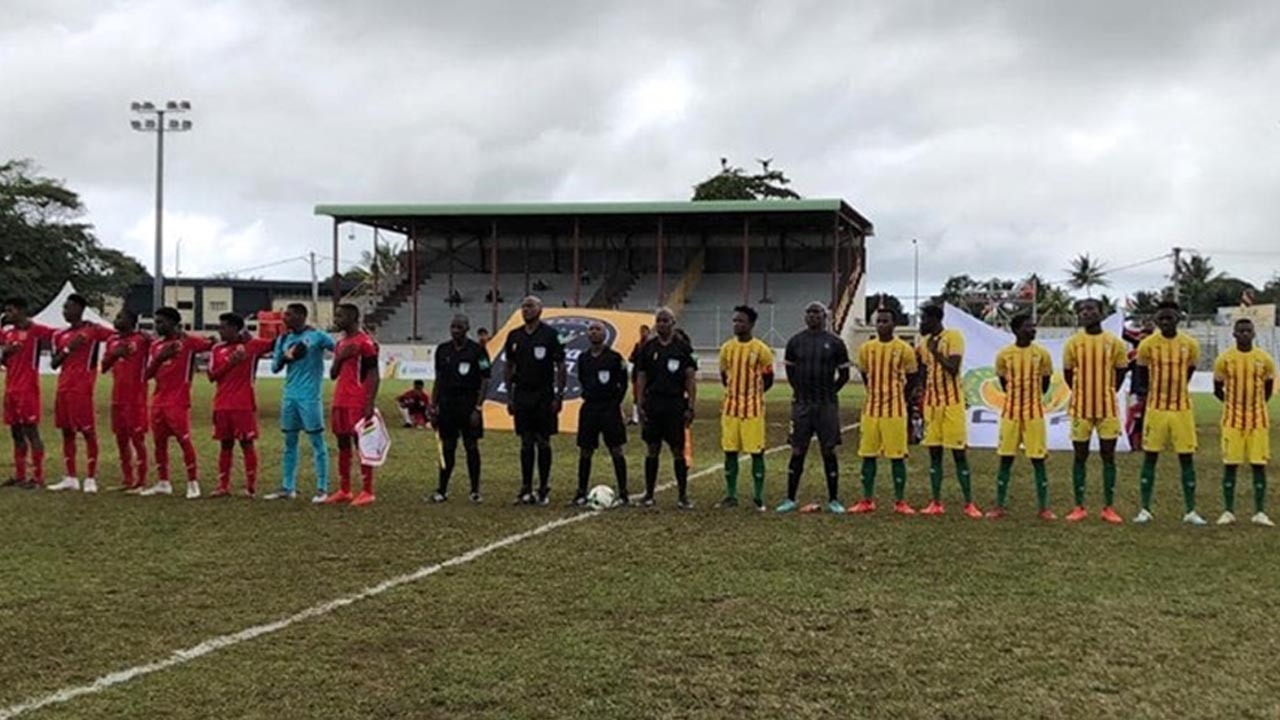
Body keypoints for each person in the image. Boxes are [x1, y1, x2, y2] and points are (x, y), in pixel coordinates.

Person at [1133, 300, 1203, 525]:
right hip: (1156, 409)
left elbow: (1189, 372)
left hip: (1182, 409)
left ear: (1178, 318)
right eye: (1161, 318)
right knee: (1150, 456)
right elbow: (1142, 375)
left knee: (1186, 457)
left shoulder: (1190, 344)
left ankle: (1191, 510)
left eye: (1169, 318)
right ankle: (1145, 509)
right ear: (1156, 320)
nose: (1165, 322)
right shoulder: (1147, 345)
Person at [1061, 298, 1130, 523]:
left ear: (1101, 312)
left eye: (1090, 309)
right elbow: (1068, 374)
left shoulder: (1114, 342)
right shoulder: (1073, 343)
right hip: (1081, 409)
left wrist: (1107, 391)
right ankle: (1079, 506)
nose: (1085, 313)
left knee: (1108, 456)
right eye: (1081, 310)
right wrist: (1083, 392)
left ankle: (1108, 507)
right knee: (1080, 456)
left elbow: (1121, 371)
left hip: (1107, 409)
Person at [781, 302, 850, 514]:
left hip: (826, 406)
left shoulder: (836, 343)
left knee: (828, 450)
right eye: (809, 312)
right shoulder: (795, 342)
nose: (812, 316)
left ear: (825, 316)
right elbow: (790, 373)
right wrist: (800, 391)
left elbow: (844, 375)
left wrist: (829, 392)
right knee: (797, 450)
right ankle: (790, 498)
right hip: (801, 405)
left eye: (816, 312)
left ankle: (834, 500)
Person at [264, 303, 335, 503]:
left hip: (310, 397)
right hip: (289, 396)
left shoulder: (317, 336)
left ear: (301, 316)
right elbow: (275, 367)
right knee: (289, 442)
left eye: (289, 315)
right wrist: (287, 358)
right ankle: (288, 487)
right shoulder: (283, 339)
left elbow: (339, 348)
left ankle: (322, 488)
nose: (284, 318)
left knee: (317, 442)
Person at [986, 314, 1055, 520]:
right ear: (1016, 330)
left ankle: (1043, 508)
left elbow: (1045, 384)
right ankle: (999, 506)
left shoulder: (1042, 354)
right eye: (1028, 326)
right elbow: (1004, 383)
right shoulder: (1004, 355)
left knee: (1038, 459)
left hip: (1034, 414)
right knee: (1005, 458)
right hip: (1011, 413)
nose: (1032, 330)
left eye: (1033, 326)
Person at [851, 306, 918, 514]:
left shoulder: (904, 349)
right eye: (878, 321)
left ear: (894, 324)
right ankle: (866, 500)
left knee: (897, 456)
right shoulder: (866, 349)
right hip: (871, 410)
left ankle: (900, 501)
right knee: (868, 455)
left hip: (895, 411)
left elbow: (913, 378)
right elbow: (865, 375)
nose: (881, 325)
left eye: (885, 321)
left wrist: (900, 397)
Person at [140, 306, 212, 499]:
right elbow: (146, 375)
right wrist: (160, 358)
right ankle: (163, 482)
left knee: (184, 441)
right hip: (158, 401)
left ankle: (193, 482)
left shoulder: (187, 342)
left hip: (178, 401)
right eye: (156, 322)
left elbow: (210, 344)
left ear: (173, 323)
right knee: (159, 443)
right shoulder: (156, 346)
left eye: (160, 322)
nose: (157, 326)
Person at [915, 304, 981, 518]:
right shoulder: (923, 343)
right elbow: (922, 371)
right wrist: (920, 394)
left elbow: (953, 368)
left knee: (958, 453)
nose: (922, 323)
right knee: (934, 453)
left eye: (924, 319)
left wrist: (936, 352)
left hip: (952, 403)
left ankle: (969, 503)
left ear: (935, 319)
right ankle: (935, 502)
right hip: (932, 405)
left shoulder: (953, 337)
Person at [47, 293, 114, 493]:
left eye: (68, 307)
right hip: (63, 388)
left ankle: (91, 478)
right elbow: (54, 363)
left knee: (87, 432)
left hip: (82, 389)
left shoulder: (93, 330)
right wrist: (69, 349)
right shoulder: (59, 335)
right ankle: (70, 477)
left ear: (79, 309)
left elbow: (118, 335)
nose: (64, 311)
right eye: (64, 308)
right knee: (67, 432)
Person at [503, 296, 566, 505]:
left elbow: (561, 365)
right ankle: (526, 487)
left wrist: (559, 395)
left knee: (543, 441)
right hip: (522, 394)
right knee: (525, 442)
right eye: (523, 306)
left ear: (540, 309)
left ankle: (543, 487)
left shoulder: (551, 335)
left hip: (543, 394)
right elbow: (509, 366)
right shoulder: (514, 336)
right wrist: (509, 395)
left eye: (530, 306)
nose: (526, 309)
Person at [1212, 318, 1275, 526]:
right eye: (1241, 331)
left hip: (1258, 420)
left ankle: (1260, 512)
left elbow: (1268, 388)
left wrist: (1256, 406)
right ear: (1234, 334)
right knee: (1230, 464)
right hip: (1232, 420)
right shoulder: (1225, 359)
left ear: (1254, 333)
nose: (1245, 334)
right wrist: (1233, 405)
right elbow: (1217, 389)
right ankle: (1228, 511)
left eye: (1248, 331)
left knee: (1259, 465)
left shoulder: (1264, 359)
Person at [633, 307, 697, 509]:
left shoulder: (682, 348)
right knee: (652, 449)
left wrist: (691, 405)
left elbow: (690, 378)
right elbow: (641, 376)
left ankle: (683, 496)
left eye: (665, 320)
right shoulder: (648, 348)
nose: (661, 324)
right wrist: (639, 402)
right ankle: (649, 494)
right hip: (653, 403)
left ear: (673, 323)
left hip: (675, 404)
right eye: (659, 320)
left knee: (678, 450)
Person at [207, 312, 274, 498]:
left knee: (247, 444)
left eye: (223, 327)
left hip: (243, 404)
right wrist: (231, 363)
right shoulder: (217, 349)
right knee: (225, 445)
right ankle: (223, 486)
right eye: (219, 327)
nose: (220, 331)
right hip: (221, 404)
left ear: (236, 328)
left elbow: (276, 343)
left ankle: (250, 487)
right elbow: (212, 376)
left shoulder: (252, 346)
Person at [716, 305, 775, 511]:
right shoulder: (727, 349)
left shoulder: (762, 350)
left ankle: (758, 497)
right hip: (730, 408)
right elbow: (724, 376)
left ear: (751, 324)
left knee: (756, 452)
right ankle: (731, 495)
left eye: (740, 321)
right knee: (730, 451)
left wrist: (753, 395)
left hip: (753, 410)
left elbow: (768, 379)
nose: (736, 324)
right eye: (735, 321)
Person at [429, 314, 491, 503]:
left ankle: (475, 490)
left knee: (471, 446)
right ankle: (442, 489)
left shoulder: (478, 351)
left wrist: (478, 407)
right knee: (448, 447)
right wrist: (433, 404)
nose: (455, 331)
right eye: (453, 327)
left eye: (459, 327)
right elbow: (439, 378)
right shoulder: (442, 350)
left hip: (468, 404)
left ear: (467, 328)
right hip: (447, 405)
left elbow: (485, 379)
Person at [325, 303, 380, 506]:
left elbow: (374, 374)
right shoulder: (341, 343)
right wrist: (340, 358)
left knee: (361, 443)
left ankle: (367, 491)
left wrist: (369, 402)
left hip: (357, 400)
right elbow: (333, 374)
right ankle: (345, 489)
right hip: (340, 399)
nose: (336, 319)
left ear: (352, 318)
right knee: (342, 443)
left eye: (340, 316)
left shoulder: (365, 343)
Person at [574, 320, 629, 506]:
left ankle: (623, 492)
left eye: (598, 329)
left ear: (604, 334)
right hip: (590, 408)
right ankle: (581, 492)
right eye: (591, 329)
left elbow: (623, 382)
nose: (594, 332)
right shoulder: (583, 358)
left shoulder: (614, 357)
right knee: (585, 450)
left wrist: (615, 402)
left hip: (609, 408)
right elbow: (582, 379)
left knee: (616, 449)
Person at [1, 297, 54, 489]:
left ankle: (38, 477)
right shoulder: (8, 333)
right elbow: (4, 360)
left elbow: (58, 336)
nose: (7, 314)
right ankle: (20, 475)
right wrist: (5, 352)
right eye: (6, 310)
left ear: (22, 311)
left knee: (31, 431)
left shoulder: (36, 330)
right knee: (16, 432)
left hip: (27, 389)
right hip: (10, 388)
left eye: (11, 310)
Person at [101, 309, 151, 492]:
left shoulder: (141, 340)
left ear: (131, 321)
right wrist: (115, 354)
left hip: (136, 397)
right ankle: (127, 479)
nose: (116, 320)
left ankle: (141, 481)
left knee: (137, 439)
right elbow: (104, 367)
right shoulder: (111, 341)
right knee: (121, 439)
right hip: (117, 397)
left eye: (120, 317)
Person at [629, 324, 652, 425]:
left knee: (647, 395)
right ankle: (635, 417)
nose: (643, 334)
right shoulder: (638, 345)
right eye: (641, 332)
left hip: (648, 375)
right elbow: (632, 357)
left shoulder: (651, 346)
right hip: (637, 373)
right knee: (636, 395)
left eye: (644, 331)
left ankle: (646, 415)